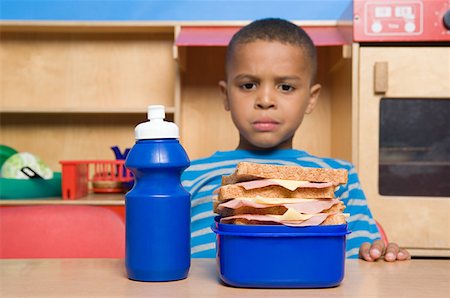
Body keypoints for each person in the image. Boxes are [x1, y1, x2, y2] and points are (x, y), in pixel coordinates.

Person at [182, 18, 410, 262]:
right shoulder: (187, 177)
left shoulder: (340, 176)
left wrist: (377, 255)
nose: (266, 99)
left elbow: (360, 260)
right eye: (248, 85)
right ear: (226, 95)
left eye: (286, 87)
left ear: (311, 99)